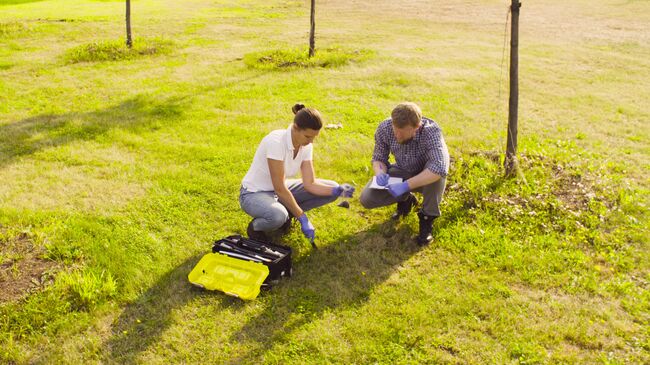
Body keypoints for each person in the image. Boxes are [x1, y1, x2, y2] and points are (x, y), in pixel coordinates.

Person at [240, 103, 354, 242]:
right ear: (295, 128)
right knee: (277, 216)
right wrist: (302, 217)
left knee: (330, 188)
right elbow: (280, 188)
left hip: (280, 190)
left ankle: (287, 215)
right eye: (307, 136)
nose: (311, 141)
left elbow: (310, 184)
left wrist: (337, 191)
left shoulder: (306, 145)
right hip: (255, 193)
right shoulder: (276, 141)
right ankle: (256, 227)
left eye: (314, 137)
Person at [360, 102, 449, 246]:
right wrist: (380, 172)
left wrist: (405, 185)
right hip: (403, 170)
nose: (397, 135)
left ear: (417, 127)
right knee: (367, 198)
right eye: (396, 129)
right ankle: (406, 200)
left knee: (437, 178)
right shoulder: (385, 127)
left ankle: (426, 221)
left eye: (402, 131)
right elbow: (378, 158)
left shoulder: (431, 132)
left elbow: (439, 167)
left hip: (425, 176)